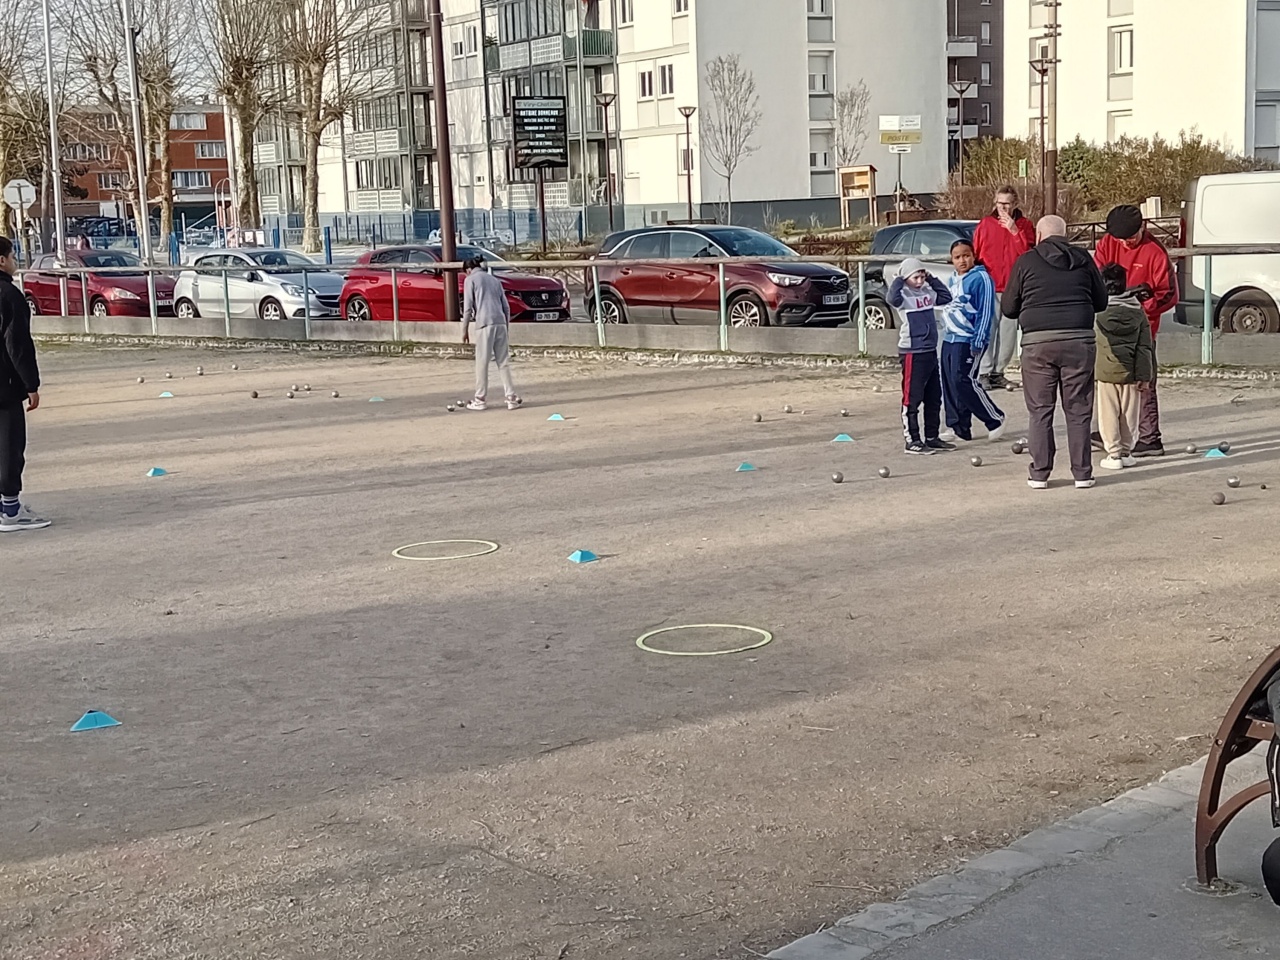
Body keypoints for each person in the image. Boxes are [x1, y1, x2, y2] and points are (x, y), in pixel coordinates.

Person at [1002, 216, 1108, 489]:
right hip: (1079, 340)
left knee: (1040, 411)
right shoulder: (1083, 259)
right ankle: (1082, 474)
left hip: (1038, 344)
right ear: (1066, 234)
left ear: (1038, 235)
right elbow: (1101, 302)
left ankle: (1040, 473)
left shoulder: (1026, 261)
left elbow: (1009, 308)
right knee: (1078, 410)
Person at [1093, 204, 1177, 457]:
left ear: (1142, 227)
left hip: (1141, 328)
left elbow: (1169, 295)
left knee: (1143, 381)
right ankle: (1111, 432)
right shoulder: (1107, 243)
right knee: (1107, 380)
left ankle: (1150, 437)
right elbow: (1096, 278)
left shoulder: (1155, 252)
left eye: (1129, 238)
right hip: (1108, 323)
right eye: (1120, 239)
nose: (1124, 243)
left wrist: (1141, 307)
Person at [0, 236, 48, 531]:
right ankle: (10, 510)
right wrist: (31, 384)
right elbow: (16, 344)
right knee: (9, 444)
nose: (15, 261)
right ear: (1, 260)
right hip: (4, 385)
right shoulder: (9, 295)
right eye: (12, 256)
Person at [938, 239, 1005, 443]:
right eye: (957, 257)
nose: (962, 260)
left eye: (966, 255)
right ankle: (958, 426)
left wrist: (979, 337)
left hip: (968, 338)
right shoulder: (952, 279)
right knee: (950, 382)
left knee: (963, 379)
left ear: (973, 256)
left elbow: (986, 310)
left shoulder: (981, 278)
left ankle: (994, 418)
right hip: (950, 337)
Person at [972, 185, 1037, 390]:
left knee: (1008, 333)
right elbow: (976, 254)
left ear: (1015, 204)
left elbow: (1027, 255)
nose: (1003, 208)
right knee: (988, 330)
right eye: (1000, 203)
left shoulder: (1025, 225)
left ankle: (998, 372)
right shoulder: (985, 224)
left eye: (1007, 204)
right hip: (990, 286)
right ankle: (984, 372)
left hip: (1013, 287)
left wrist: (1015, 231)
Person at [888, 257, 953, 455]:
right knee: (912, 397)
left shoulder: (926, 292)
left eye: (922, 277)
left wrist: (931, 279)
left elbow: (946, 297)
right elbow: (892, 299)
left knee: (934, 397)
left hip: (930, 350)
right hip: (913, 351)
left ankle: (932, 437)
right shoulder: (903, 295)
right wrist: (899, 279)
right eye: (915, 277)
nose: (919, 281)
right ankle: (912, 440)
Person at [1094, 263, 1156, 470]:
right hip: (1131, 373)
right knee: (1130, 414)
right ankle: (1127, 452)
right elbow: (1145, 347)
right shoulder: (1138, 313)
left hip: (1105, 372)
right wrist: (1144, 376)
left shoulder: (1097, 312)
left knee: (1108, 414)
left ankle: (1113, 454)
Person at [461, 256, 522, 411]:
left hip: (484, 323)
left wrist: (464, 330)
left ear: (468, 270)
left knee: (482, 362)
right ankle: (511, 397)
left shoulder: (470, 280)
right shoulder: (495, 280)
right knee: (503, 362)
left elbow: (467, 308)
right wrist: (506, 326)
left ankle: (480, 398)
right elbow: (506, 307)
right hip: (500, 322)